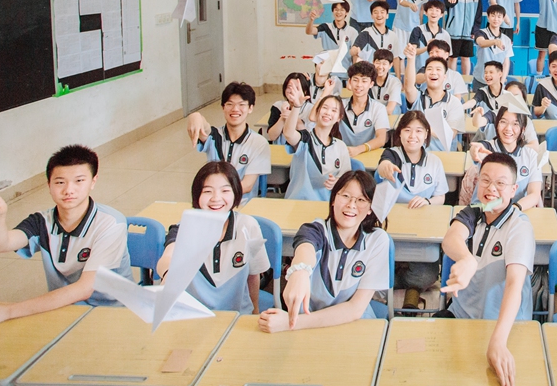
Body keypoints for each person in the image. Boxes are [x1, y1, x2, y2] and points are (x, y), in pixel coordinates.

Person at [0, 145, 132, 326]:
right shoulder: (42, 221)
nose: (69, 190)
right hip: (64, 310)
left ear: (93, 181)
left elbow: (84, 289)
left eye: (79, 181)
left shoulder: (111, 223)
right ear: (49, 185)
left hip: (114, 314)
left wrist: (8, 311)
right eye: (60, 182)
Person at [440, 153, 536, 386]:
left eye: (500, 183)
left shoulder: (520, 226)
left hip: (504, 324)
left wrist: (499, 341)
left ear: (513, 190)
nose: (491, 188)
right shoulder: (475, 211)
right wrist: (467, 259)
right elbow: (451, 239)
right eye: (485, 180)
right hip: (462, 315)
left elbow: (514, 285)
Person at [259, 171, 391, 332]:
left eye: (361, 200)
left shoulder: (377, 240)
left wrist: (290, 324)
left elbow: (355, 309)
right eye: (345, 196)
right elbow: (305, 249)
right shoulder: (315, 230)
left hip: (350, 325)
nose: (351, 205)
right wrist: (300, 272)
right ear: (333, 199)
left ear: (370, 208)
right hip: (308, 325)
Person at [157, 161, 269, 314]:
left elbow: (253, 275)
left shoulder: (248, 226)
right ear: (197, 195)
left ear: (236, 193)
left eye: (225, 190)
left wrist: (255, 310)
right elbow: (168, 256)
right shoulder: (186, 227)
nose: (216, 198)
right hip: (194, 315)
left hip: (237, 315)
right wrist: (169, 274)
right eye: (208, 191)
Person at [377, 111, 449, 310]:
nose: (412, 136)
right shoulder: (392, 155)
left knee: (428, 275)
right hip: (393, 230)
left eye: (418, 131)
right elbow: (383, 165)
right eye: (407, 130)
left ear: (426, 134)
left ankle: (403, 282)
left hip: (421, 232)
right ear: (399, 133)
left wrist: (428, 201)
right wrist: (385, 168)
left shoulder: (434, 162)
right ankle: (411, 288)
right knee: (376, 267)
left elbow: (441, 197)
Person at [186, 82, 271, 204]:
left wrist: (220, 197)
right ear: (223, 107)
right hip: (214, 204)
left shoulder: (258, 143)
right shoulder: (215, 136)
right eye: (230, 104)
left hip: (242, 205)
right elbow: (204, 127)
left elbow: (247, 185)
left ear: (250, 108)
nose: (235, 109)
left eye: (241, 104)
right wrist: (195, 116)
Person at [467, 107, 544, 209]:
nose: (508, 128)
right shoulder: (488, 149)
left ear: (523, 129)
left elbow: (534, 194)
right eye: (503, 122)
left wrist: (513, 210)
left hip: (519, 211)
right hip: (486, 210)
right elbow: (479, 150)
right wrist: (474, 150)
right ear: (497, 125)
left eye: (515, 124)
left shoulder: (530, 155)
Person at [282, 95, 351, 201]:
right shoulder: (305, 139)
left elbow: (346, 177)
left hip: (328, 203)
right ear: (317, 111)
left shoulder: (340, 146)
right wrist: (296, 107)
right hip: (299, 201)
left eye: (334, 110)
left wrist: (336, 181)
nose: (328, 113)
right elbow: (288, 134)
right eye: (325, 108)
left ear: (339, 118)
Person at [403, 47, 464, 152]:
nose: (433, 72)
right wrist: (411, 59)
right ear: (425, 75)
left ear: (444, 77)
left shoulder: (454, 103)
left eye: (438, 69)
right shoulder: (418, 97)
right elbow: (408, 88)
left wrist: (420, 127)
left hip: (442, 155)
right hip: (417, 154)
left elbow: (450, 135)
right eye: (429, 69)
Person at [339, 61, 390, 156]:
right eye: (355, 80)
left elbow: (381, 139)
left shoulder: (378, 108)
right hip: (343, 155)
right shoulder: (340, 105)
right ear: (349, 82)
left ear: (371, 84)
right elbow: (314, 119)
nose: (359, 85)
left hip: (368, 155)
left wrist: (359, 149)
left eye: (364, 81)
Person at [443, 0, 483, 75]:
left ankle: (466, 82)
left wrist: (475, 29)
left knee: (466, 58)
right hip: (453, 31)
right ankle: (451, 81)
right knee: (452, 57)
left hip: (469, 31)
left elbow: (478, 11)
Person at [394, 0, 428, 75]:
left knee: (413, 55)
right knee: (400, 55)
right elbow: (401, 0)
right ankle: (400, 80)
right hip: (401, 26)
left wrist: (421, 24)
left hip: (415, 28)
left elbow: (422, 8)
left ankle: (412, 80)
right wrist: (410, 4)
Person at [472, 5, 513, 91]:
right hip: (480, 80)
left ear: (503, 19)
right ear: (488, 17)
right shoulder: (480, 33)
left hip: (497, 82)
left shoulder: (506, 39)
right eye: (493, 16)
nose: (496, 19)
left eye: (499, 17)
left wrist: (501, 82)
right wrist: (495, 41)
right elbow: (481, 43)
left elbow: (506, 63)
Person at [266, 72, 313, 143]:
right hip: (280, 147)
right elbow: (272, 136)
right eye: (289, 87)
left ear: (305, 91)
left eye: (297, 88)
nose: (292, 90)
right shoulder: (278, 106)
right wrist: (283, 117)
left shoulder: (310, 109)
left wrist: (293, 118)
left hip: (301, 147)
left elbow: (309, 138)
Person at [408, 0, 451, 72]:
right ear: (425, 12)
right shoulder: (418, 30)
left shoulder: (445, 34)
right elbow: (413, 51)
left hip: (439, 71)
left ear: (441, 14)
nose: (434, 13)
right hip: (420, 71)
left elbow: (447, 57)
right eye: (431, 9)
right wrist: (427, 47)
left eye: (437, 10)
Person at [370, 48, 403, 117]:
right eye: (378, 63)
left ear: (390, 65)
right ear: (373, 62)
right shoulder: (369, 80)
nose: (380, 67)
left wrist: (370, 112)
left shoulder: (395, 82)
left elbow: (390, 110)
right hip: (372, 117)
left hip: (391, 117)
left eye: (384, 64)